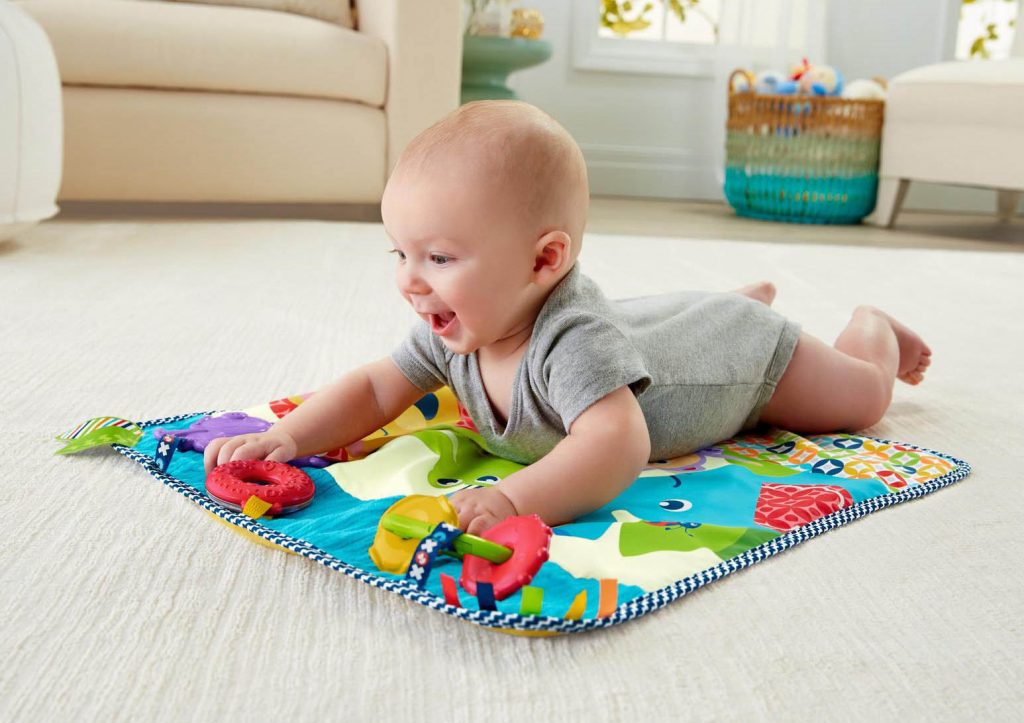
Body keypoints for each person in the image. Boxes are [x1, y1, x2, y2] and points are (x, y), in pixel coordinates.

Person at [204, 101, 931, 534]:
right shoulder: (463, 325)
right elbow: (373, 389)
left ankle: (866, 327)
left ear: (545, 262)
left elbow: (616, 444)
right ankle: (727, 302)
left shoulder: (572, 343)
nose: (410, 283)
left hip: (746, 364)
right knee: (651, 326)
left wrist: (516, 498)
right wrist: (289, 437)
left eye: (440, 258)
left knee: (861, 401)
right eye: (401, 252)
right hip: (656, 329)